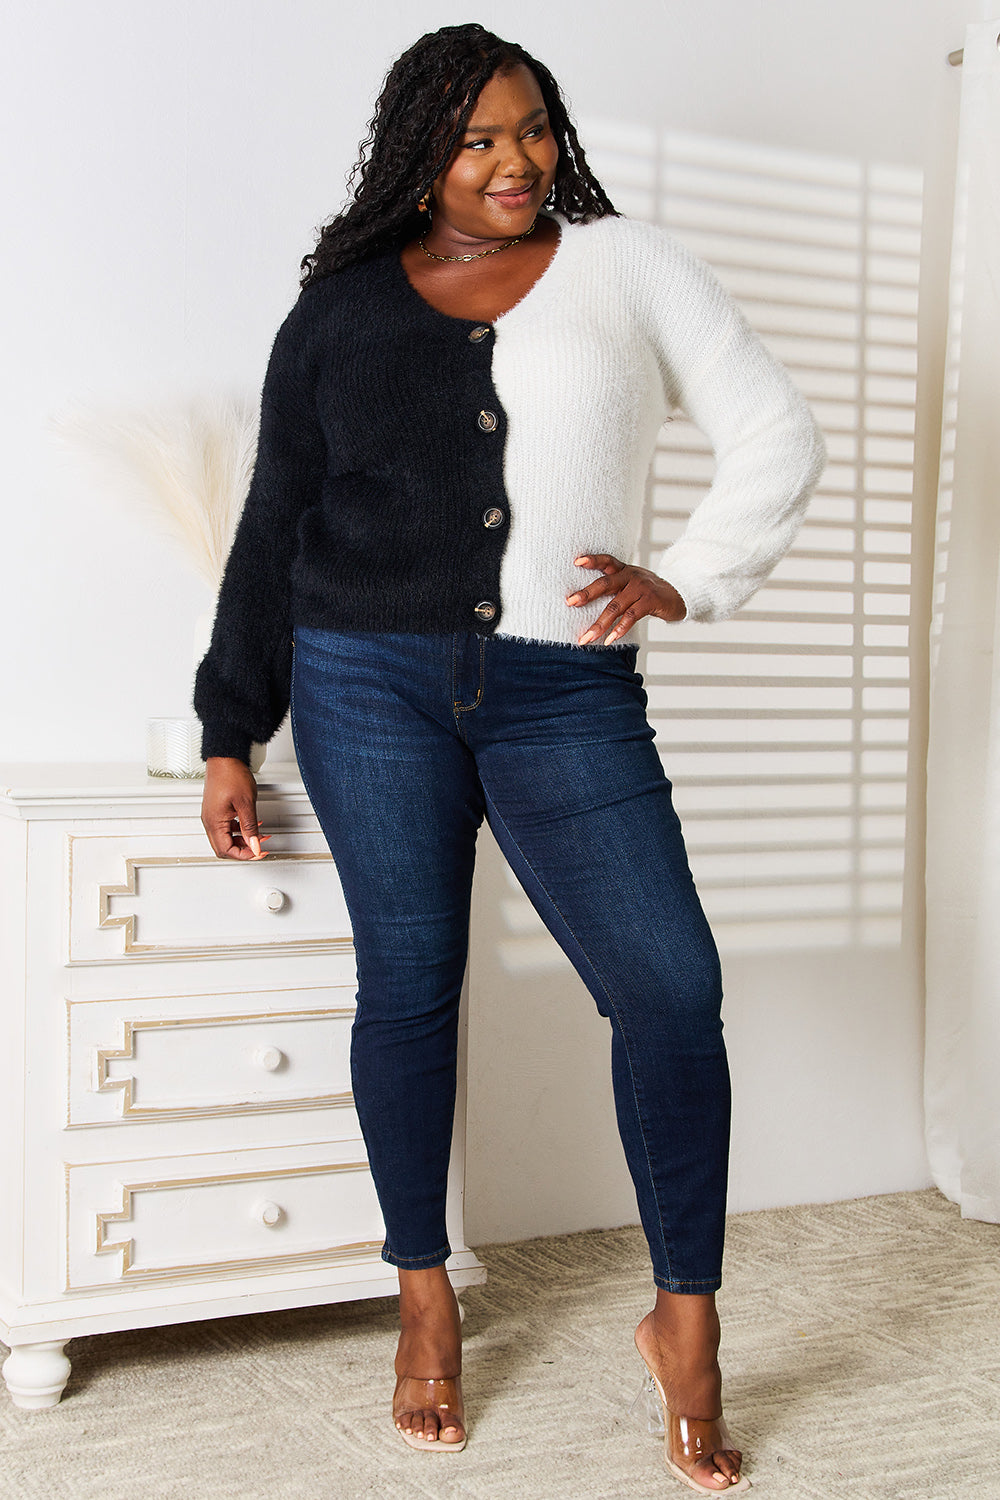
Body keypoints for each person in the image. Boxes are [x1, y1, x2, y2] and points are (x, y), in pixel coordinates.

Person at [194, 22, 825, 1493]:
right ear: (419, 147)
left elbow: (773, 431)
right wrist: (232, 724)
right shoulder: (340, 310)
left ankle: (685, 1320)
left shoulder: (626, 266)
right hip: (364, 685)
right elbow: (276, 520)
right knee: (409, 987)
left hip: (567, 693)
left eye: (533, 129)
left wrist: (693, 575)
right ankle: (424, 1295)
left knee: (671, 989)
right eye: (477, 136)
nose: (514, 161)